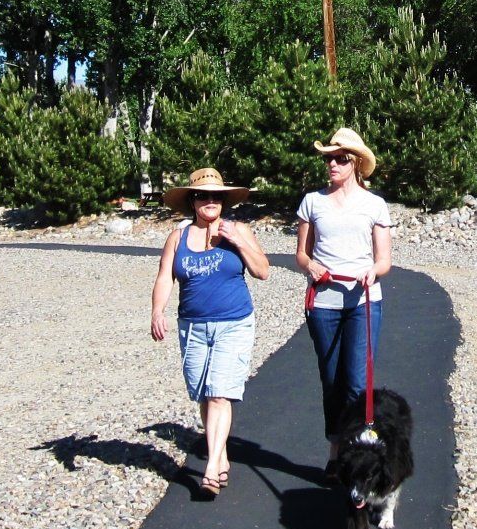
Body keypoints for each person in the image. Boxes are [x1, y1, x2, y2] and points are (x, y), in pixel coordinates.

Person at [151, 166, 269, 496]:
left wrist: (238, 243)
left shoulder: (239, 230)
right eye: (203, 196)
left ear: (224, 200)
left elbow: (263, 271)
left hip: (233, 322)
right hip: (192, 325)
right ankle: (222, 454)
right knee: (204, 392)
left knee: (220, 392)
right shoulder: (177, 237)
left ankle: (212, 467)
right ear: (192, 202)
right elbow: (164, 277)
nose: (210, 201)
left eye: (216, 196)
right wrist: (157, 310)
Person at [293, 127, 392, 463]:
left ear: (355, 164)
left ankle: (356, 451)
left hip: (363, 301)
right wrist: (311, 267)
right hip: (324, 303)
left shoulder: (374, 205)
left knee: (357, 383)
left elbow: (384, 260)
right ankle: (336, 449)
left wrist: (372, 271)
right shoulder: (312, 202)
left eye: (339, 159)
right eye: (328, 159)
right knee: (332, 380)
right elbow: (301, 255)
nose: (331, 164)